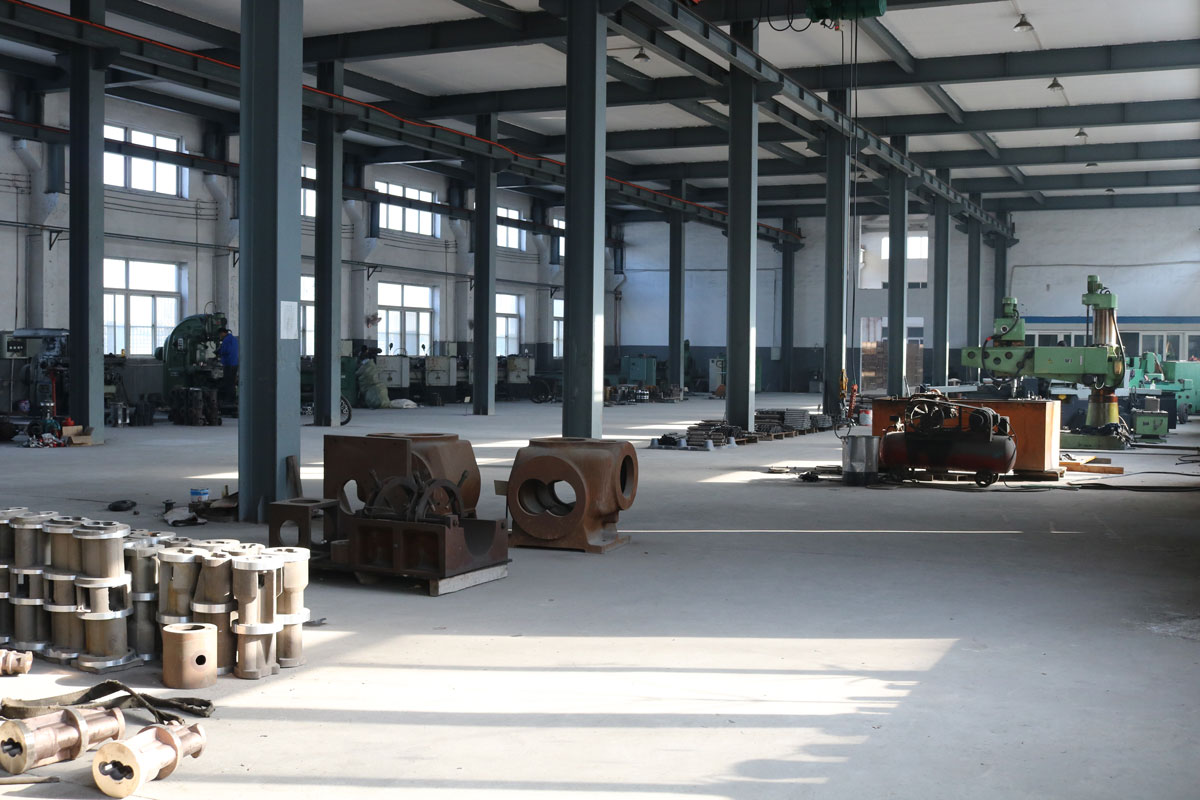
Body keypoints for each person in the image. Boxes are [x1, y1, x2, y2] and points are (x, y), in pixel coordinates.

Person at [216, 327, 239, 405]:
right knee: (232, 383)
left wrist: (219, 352)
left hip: (229, 364)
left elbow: (226, 350)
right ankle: (232, 399)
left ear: (223, 333)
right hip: (234, 363)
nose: (220, 336)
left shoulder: (226, 340)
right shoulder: (233, 339)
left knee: (228, 383)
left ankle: (229, 401)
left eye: (220, 335)